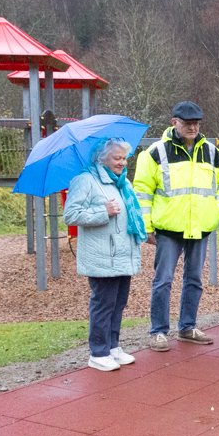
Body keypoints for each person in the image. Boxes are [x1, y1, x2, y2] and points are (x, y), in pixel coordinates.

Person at [133, 101, 219, 352]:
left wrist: (217, 211)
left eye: (196, 123)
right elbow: (142, 192)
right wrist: (146, 226)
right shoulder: (155, 153)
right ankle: (158, 331)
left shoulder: (213, 153)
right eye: (187, 122)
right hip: (168, 228)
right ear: (174, 122)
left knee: (194, 279)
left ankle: (187, 327)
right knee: (163, 280)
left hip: (200, 226)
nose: (193, 127)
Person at [64, 138, 147, 371]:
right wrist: (103, 211)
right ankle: (98, 351)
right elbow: (71, 215)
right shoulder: (86, 180)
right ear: (102, 158)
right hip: (102, 256)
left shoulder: (122, 183)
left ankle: (112, 346)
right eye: (116, 158)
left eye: (124, 158)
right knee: (103, 303)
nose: (122, 162)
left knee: (118, 303)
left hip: (123, 253)